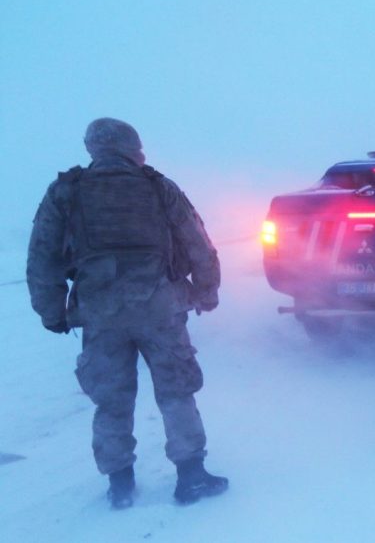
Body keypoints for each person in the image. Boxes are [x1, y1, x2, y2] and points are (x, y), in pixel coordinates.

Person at [26, 118, 227, 509]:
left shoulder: (66, 191)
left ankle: (120, 486)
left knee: (111, 400)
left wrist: (51, 311)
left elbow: (42, 256)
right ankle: (191, 476)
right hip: (161, 309)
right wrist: (206, 292)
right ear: (134, 148)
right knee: (176, 392)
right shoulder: (158, 186)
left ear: (93, 147)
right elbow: (198, 243)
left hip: (101, 314)